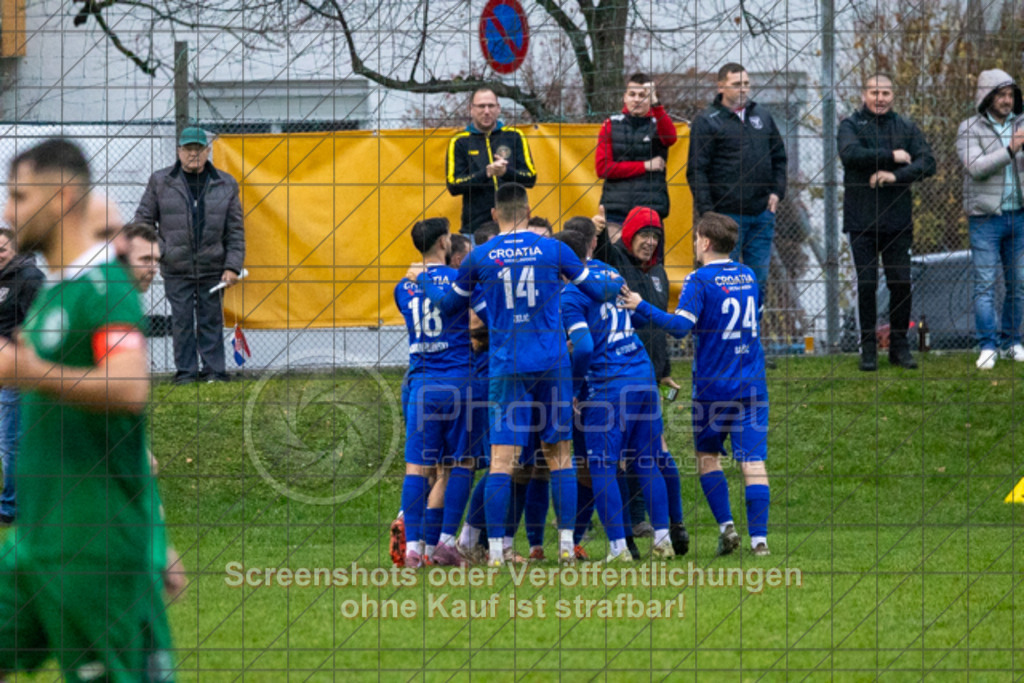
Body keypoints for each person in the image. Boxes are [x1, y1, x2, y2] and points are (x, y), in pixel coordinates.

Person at [0, 137, 172, 680]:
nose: (8, 212)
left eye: (19, 196)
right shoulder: (55, 291)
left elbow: (129, 388)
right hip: (36, 542)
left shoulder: (105, 289)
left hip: (92, 549)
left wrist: (30, 372)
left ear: (61, 199)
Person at [411, 182, 623, 567]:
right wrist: (615, 283)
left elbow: (447, 305)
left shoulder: (481, 255)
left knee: (501, 461)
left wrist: (425, 277)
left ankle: (494, 551)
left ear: (494, 214)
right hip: (552, 363)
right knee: (559, 457)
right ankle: (565, 546)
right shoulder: (553, 249)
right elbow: (596, 290)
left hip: (506, 365)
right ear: (527, 211)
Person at [620, 212, 771, 556]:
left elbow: (679, 327)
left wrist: (640, 305)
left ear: (704, 241)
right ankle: (759, 541)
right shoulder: (748, 275)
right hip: (752, 384)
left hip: (714, 387)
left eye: (695, 238)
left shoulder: (699, 280)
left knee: (707, 457)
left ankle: (726, 526)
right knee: (753, 462)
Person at [134, 126, 245, 384]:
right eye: (188, 149)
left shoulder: (226, 183)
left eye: (198, 148)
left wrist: (232, 266)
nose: (193, 153)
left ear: (208, 151)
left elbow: (236, 231)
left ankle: (214, 372)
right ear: (179, 151)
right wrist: (163, 250)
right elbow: (142, 222)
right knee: (181, 321)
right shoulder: (160, 181)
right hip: (176, 268)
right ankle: (186, 373)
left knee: (211, 320)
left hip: (213, 267)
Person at [839, 74, 936, 371]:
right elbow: (850, 155)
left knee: (901, 283)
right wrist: (891, 156)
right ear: (864, 95)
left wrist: (895, 176)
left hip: (897, 222)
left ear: (893, 96)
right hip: (861, 222)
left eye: (885, 93)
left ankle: (899, 347)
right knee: (867, 284)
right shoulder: (850, 125)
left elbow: (928, 162)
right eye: (874, 92)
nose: (880, 98)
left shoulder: (905, 127)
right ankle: (868, 350)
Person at [394, 217, 474, 568]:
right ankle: (445, 543)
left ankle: (414, 549)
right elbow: (476, 320)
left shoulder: (403, 287)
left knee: (417, 467)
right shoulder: (461, 280)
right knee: (461, 463)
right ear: (444, 242)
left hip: (422, 385)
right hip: (458, 380)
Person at [687, 63, 787, 299]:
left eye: (746, 84)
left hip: (761, 215)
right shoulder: (707, 121)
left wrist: (777, 192)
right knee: (722, 283)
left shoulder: (762, 116)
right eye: (736, 84)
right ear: (721, 87)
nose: (743, 89)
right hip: (726, 217)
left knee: (757, 283)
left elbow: (779, 158)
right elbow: (696, 170)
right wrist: (709, 215)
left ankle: (753, 323)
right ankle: (719, 324)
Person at [956, 68, 1024, 370]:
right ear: (987, 97)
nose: (1007, 101)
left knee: (1019, 284)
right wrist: (1011, 149)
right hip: (985, 219)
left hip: (1019, 217)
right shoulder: (969, 128)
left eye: (1010, 95)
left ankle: (1012, 342)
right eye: (1001, 95)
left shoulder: (1021, 124)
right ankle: (987, 346)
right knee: (985, 285)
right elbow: (976, 167)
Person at [446, 88, 537, 234]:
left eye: (491, 106)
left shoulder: (514, 136)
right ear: (471, 109)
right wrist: (486, 173)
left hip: (515, 227)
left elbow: (530, 178)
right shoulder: (459, 142)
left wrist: (506, 172)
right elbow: (453, 185)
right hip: (475, 230)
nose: (487, 111)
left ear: (498, 108)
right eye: (481, 106)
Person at [0, 228, 44, 525]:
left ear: (15, 249)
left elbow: (36, 328)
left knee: (11, 442)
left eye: (2, 249)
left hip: (15, 374)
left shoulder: (30, 279)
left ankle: (11, 506)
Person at [595, 74, 677, 225]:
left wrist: (656, 104)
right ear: (625, 97)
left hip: (650, 210)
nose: (637, 99)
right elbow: (603, 169)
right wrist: (644, 166)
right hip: (616, 210)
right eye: (632, 94)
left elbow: (671, 138)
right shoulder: (610, 124)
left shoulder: (659, 123)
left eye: (643, 95)